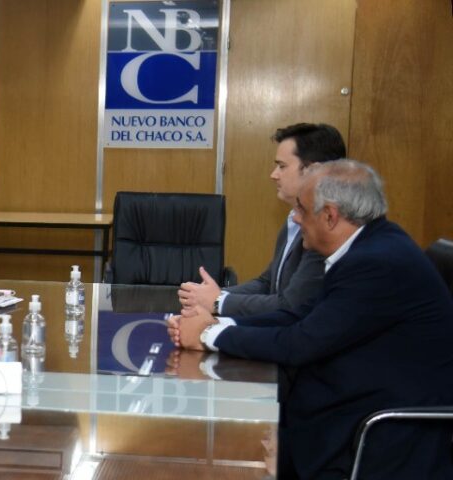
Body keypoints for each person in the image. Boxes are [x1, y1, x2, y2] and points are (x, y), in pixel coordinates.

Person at [167, 160, 453, 479]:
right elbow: (299, 315)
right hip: (348, 402)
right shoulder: (371, 245)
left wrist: (206, 334)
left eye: (301, 209)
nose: (295, 218)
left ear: (330, 215)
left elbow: (300, 343)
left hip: (378, 432)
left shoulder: (376, 263)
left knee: (223, 448)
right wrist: (217, 326)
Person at [178, 123, 346, 317]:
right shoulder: (293, 220)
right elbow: (268, 283)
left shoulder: (328, 229)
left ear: (313, 171)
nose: (273, 175)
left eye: (282, 166)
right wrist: (209, 296)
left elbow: (292, 306)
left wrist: (217, 301)